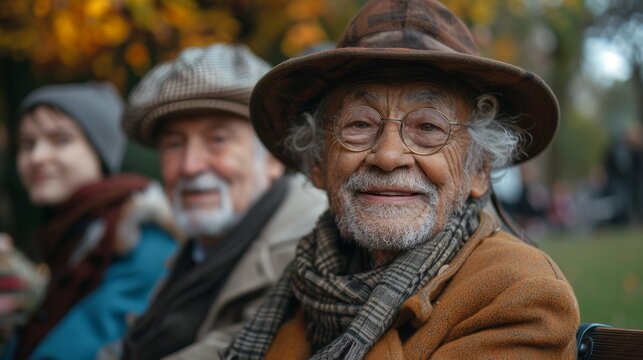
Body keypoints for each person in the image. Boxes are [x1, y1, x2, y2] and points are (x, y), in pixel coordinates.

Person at [226, 0, 580, 359]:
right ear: (319, 163)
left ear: (478, 170)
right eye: (359, 125)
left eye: (428, 127)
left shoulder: (521, 293)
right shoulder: (305, 280)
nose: (389, 156)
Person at [116, 43, 327, 359]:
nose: (190, 165)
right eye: (174, 143)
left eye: (218, 139)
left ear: (273, 158)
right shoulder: (197, 250)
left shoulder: (310, 257)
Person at [2, 82, 179, 359]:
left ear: (100, 149)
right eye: (27, 144)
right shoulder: (74, 234)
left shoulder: (143, 235)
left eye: (61, 139)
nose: (37, 157)